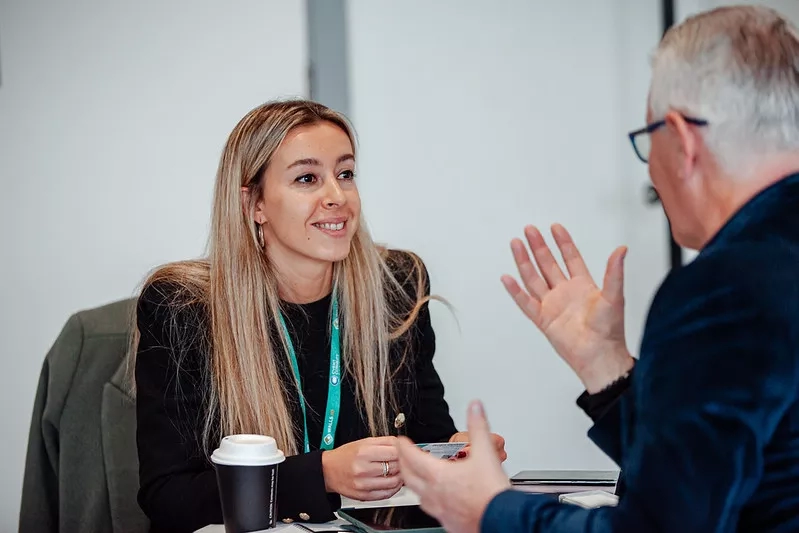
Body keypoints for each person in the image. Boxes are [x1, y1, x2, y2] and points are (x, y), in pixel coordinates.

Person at [395, 5, 799, 532]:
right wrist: (605, 367)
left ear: (680, 139)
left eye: (647, 138)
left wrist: (492, 510)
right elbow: (714, 469)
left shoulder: (726, 288)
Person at [131, 99, 507, 533]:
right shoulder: (182, 306)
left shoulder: (396, 287)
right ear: (255, 204)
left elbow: (425, 433)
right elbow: (168, 498)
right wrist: (321, 474)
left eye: (345, 174)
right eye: (308, 178)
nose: (337, 197)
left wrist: (455, 454)